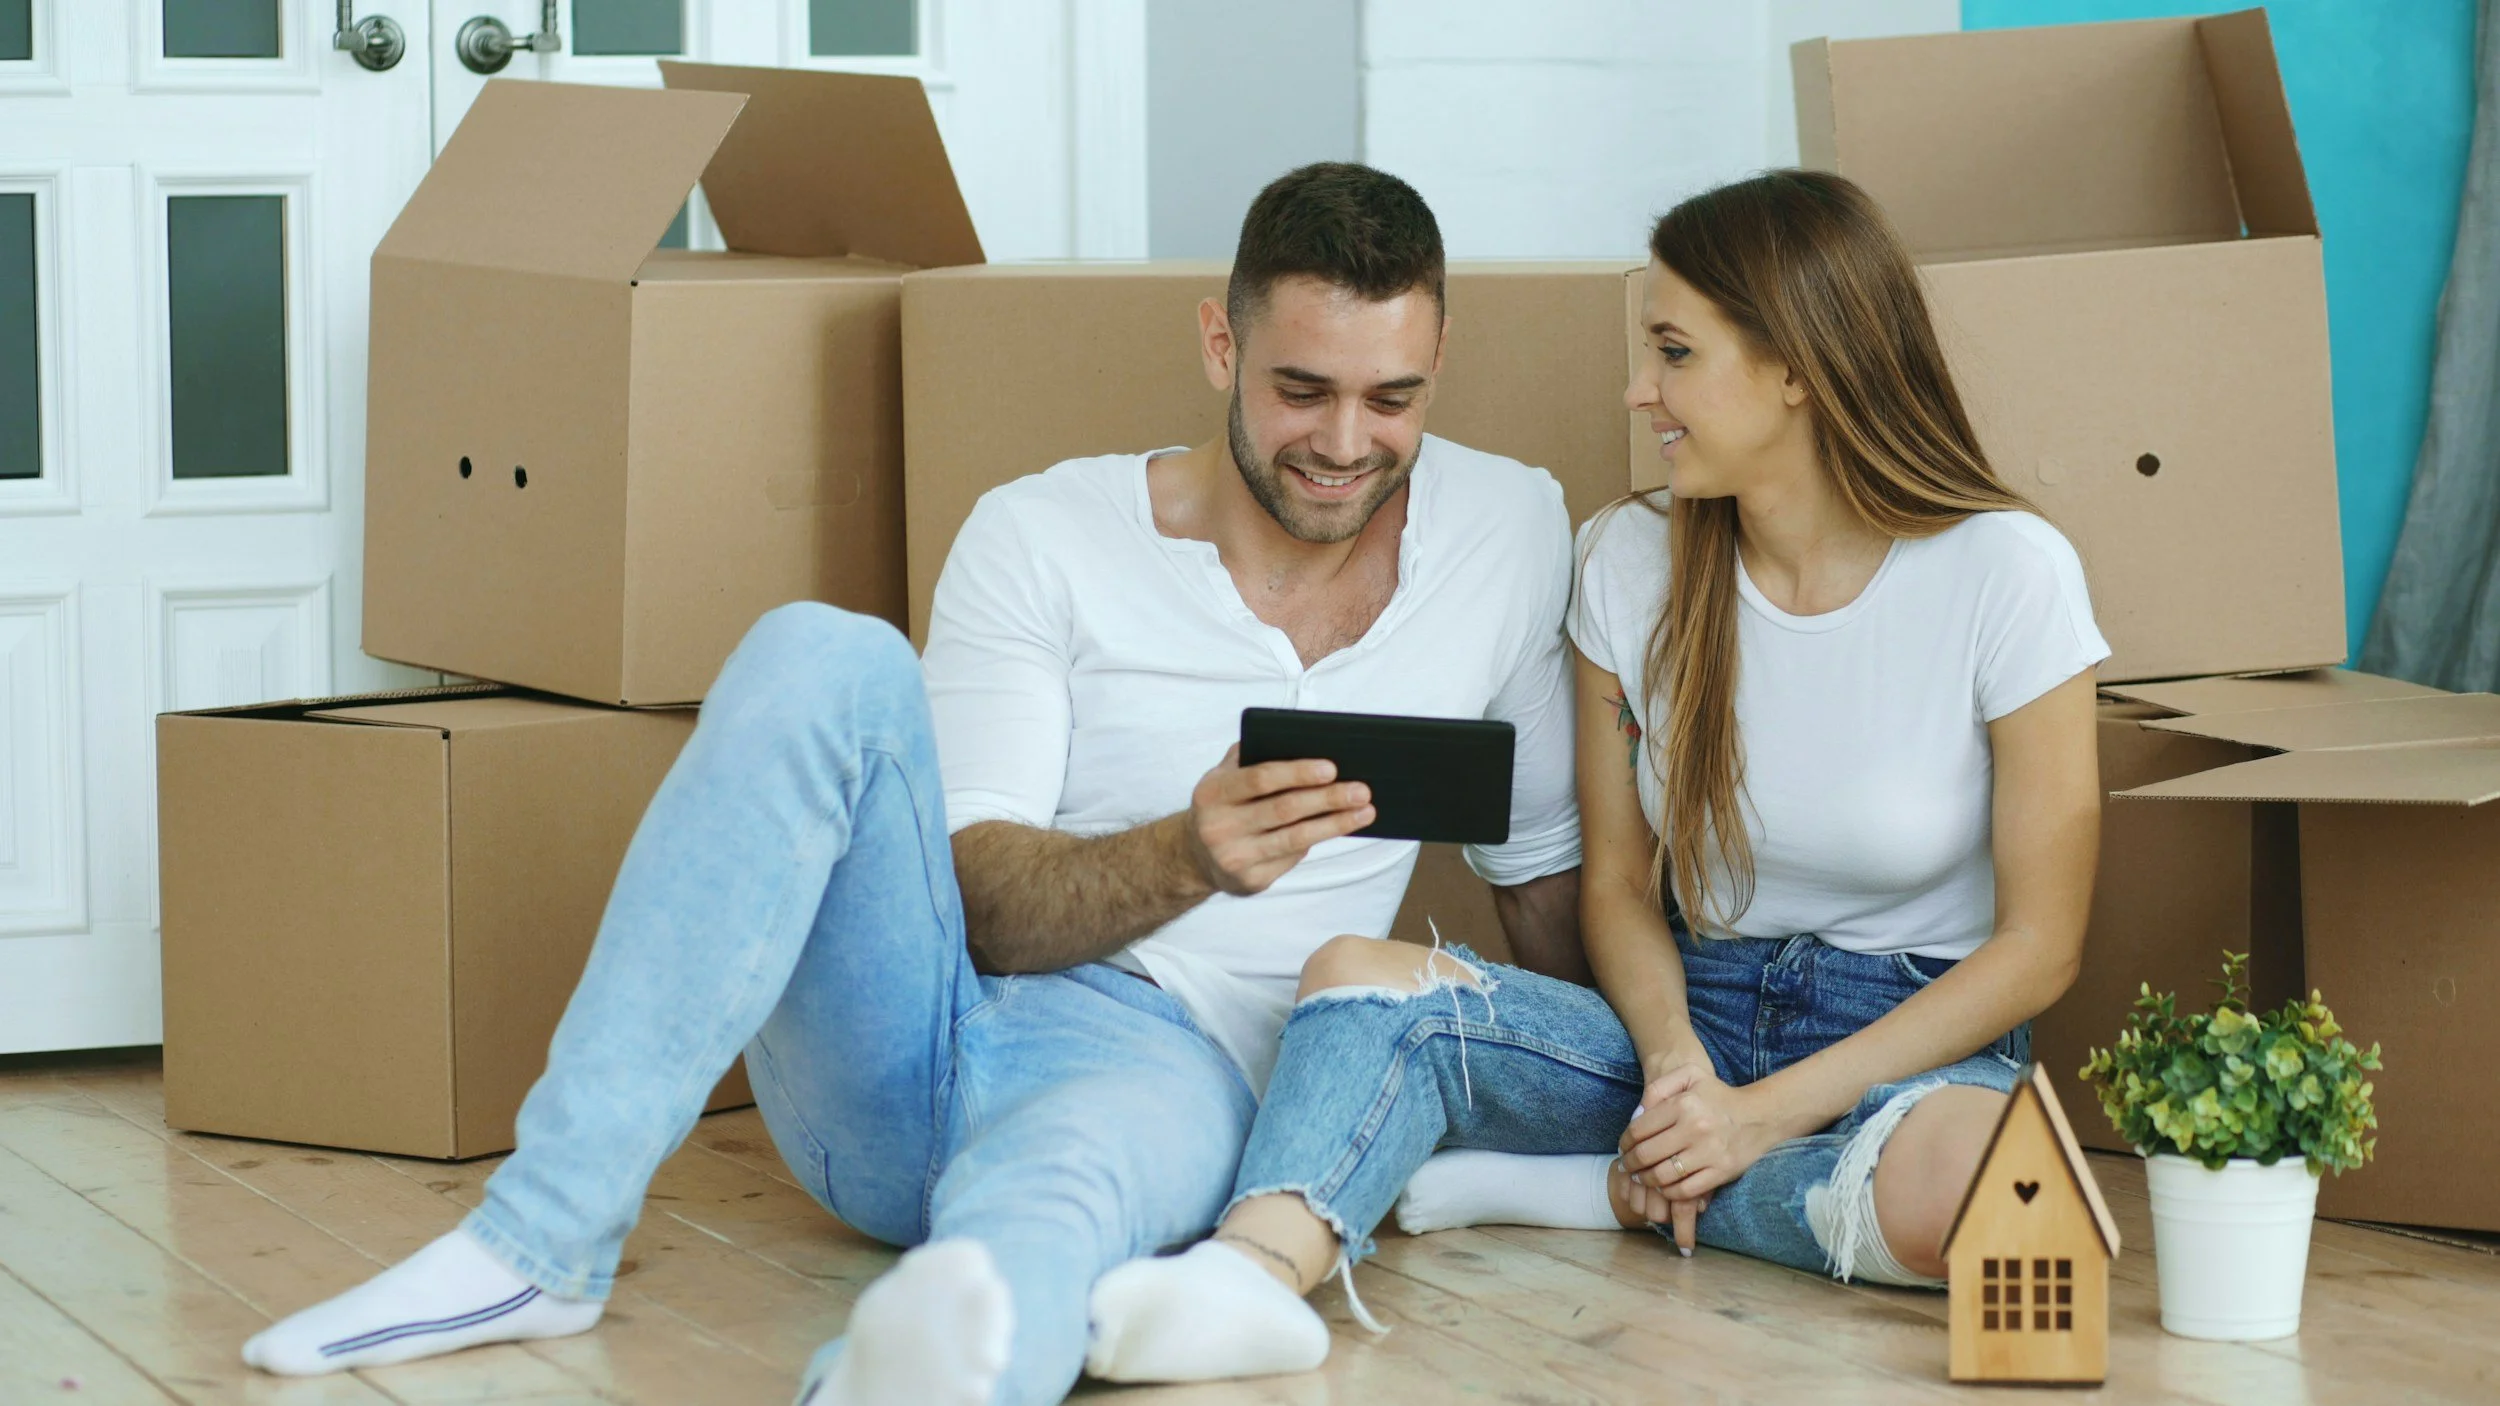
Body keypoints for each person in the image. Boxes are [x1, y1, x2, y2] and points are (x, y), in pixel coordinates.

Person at [234, 162, 1585, 1406]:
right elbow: (979, 901)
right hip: (911, 1032)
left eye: (1390, 398)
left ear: (1437, 364)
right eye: (1303, 390)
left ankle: (916, 1363)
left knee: (1032, 1228)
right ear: (1219, 346)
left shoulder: (1511, 529)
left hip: (1177, 1067)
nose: (1346, 442)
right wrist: (1188, 852)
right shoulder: (1043, 532)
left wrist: (1631, 1108)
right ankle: (541, 1236)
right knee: (821, 652)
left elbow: (1543, 887)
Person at [1081, 168, 2106, 1385]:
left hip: (1904, 1043)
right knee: (1360, 978)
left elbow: (2040, 946)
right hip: (1685, 1021)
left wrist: (1759, 1116)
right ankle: (1245, 1276)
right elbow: (1616, 884)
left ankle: (1613, 1194)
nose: (1639, 389)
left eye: (1673, 351)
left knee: (2010, 1195)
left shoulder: (2007, 573)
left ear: (1794, 365)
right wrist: (1680, 1071)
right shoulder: (1626, 561)